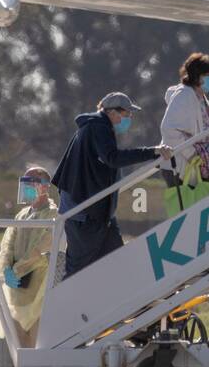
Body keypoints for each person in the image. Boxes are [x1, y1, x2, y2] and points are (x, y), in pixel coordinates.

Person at [51, 92, 170, 279]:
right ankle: (65, 306)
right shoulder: (98, 126)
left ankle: (127, 304)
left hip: (97, 212)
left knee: (117, 260)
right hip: (84, 214)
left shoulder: (93, 126)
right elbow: (113, 158)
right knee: (79, 269)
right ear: (113, 112)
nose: (129, 118)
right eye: (127, 114)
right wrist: (153, 152)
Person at [0, 166, 60, 367]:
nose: (27, 188)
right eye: (25, 183)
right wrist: (6, 269)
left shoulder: (53, 215)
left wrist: (19, 269)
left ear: (45, 187)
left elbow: (42, 248)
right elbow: (7, 244)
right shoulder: (22, 215)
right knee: (19, 333)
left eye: (33, 183)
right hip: (17, 287)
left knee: (40, 334)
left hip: (39, 284)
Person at [161, 53, 209, 194]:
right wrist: (191, 154)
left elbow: (208, 125)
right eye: (207, 75)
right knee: (187, 209)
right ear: (195, 75)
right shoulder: (184, 95)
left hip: (192, 166)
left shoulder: (200, 97)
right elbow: (168, 129)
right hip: (179, 166)